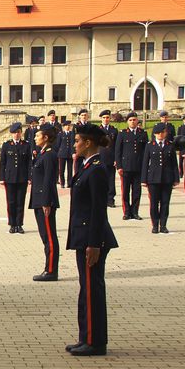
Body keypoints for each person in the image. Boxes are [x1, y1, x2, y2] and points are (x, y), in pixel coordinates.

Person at [65, 123, 118, 356]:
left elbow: (98, 211)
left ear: (88, 143)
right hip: (84, 236)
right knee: (86, 288)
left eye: (77, 140)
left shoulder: (96, 169)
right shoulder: (87, 166)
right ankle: (85, 336)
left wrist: (94, 244)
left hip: (91, 239)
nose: (74, 144)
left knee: (92, 289)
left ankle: (95, 342)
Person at [29, 124, 60, 281]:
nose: (35, 137)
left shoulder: (49, 155)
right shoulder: (42, 154)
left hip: (45, 202)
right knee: (44, 236)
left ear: (46, 137)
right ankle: (49, 268)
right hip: (39, 200)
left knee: (49, 236)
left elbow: (49, 180)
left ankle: (51, 270)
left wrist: (47, 202)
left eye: (38, 135)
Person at [141, 123, 179, 233]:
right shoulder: (150, 145)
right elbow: (145, 163)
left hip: (167, 178)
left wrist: (176, 178)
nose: (161, 135)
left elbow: (174, 164)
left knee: (165, 203)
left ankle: (163, 225)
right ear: (155, 134)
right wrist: (144, 179)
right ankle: (155, 225)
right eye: (159, 133)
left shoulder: (170, 145)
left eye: (163, 132)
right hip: (153, 178)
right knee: (154, 203)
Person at [0, 122, 31, 234]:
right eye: (14, 133)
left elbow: (29, 163)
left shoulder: (26, 145)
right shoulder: (6, 145)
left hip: (22, 178)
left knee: (20, 202)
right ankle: (12, 224)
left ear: (21, 133)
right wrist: (1, 178)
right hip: (10, 178)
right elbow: (2, 162)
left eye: (18, 132)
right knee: (11, 202)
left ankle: (19, 224)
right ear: (11, 134)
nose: (16, 135)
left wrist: (29, 177)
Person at [115, 112, 148, 220]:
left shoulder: (143, 133)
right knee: (125, 191)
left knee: (137, 191)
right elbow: (118, 151)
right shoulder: (122, 133)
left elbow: (146, 151)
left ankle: (135, 212)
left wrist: (145, 166)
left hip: (138, 167)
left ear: (137, 121)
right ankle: (126, 212)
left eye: (134, 120)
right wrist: (119, 166)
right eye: (130, 120)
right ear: (127, 122)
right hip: (126, 167)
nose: (132, 122)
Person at [97, 110, 119, 208]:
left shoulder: (114, 130)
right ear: (101, 119)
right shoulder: (97, 130)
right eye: (104, 118)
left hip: (111, 158)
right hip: (101, 158)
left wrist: (116, 159)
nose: (106, 119)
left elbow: (117, 146)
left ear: (110, 118)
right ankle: (101, 199)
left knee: (111, 180)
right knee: (100, 180)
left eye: (107, 117)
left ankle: (110, 200)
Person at [56, 121, 74, 187]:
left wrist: (73, 152)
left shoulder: (72, 134)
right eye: (66, 126)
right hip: (62, 153)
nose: (68, 127)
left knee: (70, 170)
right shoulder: (60, 134)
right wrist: (58, 153)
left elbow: (72, 144)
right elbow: (58, 144)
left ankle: (69, 183)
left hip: (69, 153)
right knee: (61, 170)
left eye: (69, 125)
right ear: (63, 127)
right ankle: (62, 183)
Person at [176, 113, 185, 178]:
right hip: (182, 146)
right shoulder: (180, 127)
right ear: (183, 120)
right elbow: (178, 138)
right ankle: (180, 173)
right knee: (181, 161)